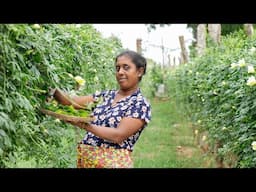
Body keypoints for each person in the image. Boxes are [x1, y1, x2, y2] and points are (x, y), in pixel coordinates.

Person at [53, 50, 151, 168]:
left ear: (139, 71)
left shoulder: (139, 104)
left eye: (126, 67)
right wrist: (52, 89)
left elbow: (118, 135)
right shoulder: (106, 96)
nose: (120, 72)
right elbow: (71, 102)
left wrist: (83, 125)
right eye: (118, 68)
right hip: (87, 160)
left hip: (113, 163)